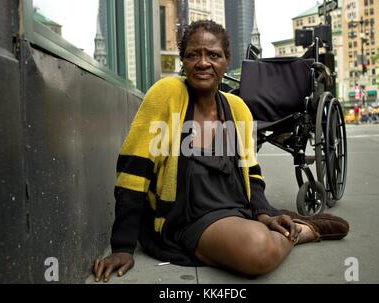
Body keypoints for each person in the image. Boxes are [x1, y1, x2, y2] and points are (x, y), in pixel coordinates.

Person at [92, 20, 349, 282]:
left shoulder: (238, 108)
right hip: (185, 219)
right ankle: (303, 231)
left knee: (258, 242)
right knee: (258, 250)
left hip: (236, 210)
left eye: (213, 55)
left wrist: (264, 213)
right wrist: (122, 246)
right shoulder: (167, 94)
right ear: (183, 61)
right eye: (194, 55)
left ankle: (275, 227)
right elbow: (134, 170)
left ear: (226, 61)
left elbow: (251, 172)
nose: (203, 63)